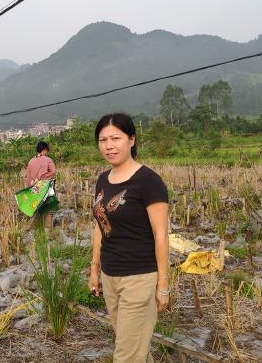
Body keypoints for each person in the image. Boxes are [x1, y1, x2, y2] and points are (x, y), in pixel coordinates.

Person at [88, 113, 169, 363]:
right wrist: (94, 269)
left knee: (125, 355)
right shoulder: (103, 180)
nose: (109, 146)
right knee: (133, 347)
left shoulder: (149, 181)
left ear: (131, 140)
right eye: (103, 140)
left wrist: (163, 286)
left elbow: (161, 234)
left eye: (116, 138)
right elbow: (100, 226)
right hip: (110, 276)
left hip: (139, 278)